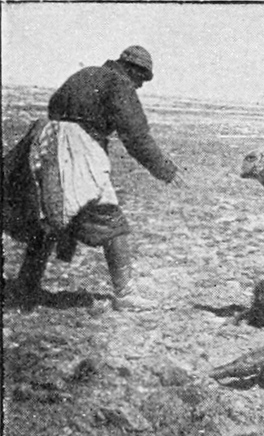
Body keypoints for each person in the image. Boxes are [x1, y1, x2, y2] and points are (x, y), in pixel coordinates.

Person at [8, 45, 185, 311]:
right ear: (132, 70)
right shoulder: (119, 84)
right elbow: (136, 137)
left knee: (50, 216)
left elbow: (55, 104)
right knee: (109, 217)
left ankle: (26, 284)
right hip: (78, 151)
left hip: (46, 146)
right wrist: (166, 170)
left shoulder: (85, 74)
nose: (140, 86)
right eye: (141, 79)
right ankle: (125, 293)